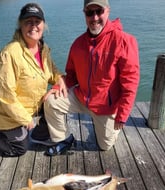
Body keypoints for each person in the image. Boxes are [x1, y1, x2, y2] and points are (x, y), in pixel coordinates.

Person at [44, 0, 140, 156]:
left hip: (105, 106)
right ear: (84, 14)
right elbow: (71, 75)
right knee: (51, 101)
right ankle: (62, 140)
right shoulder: (78, 44)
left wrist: (122, 115)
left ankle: (108, 127)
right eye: (90, 12)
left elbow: (130, 83)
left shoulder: (125, 41)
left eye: (99, 11)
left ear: (107, 11)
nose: (94, 18)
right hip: (82, 97)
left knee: (105, 146)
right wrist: (57, 87)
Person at [0, 3, 67, 157]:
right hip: (6, 113)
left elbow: (51, 72)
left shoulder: (42, 49)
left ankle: (40, 135)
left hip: (31, 105)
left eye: (37, 21)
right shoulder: (9, 54)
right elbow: (6, 97)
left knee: (59, 100)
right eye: (28, 22)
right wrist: (25, 120)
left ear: (44, 24)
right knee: (19, 148)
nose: (33, 26)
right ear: (20, 25)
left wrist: (60, 80)